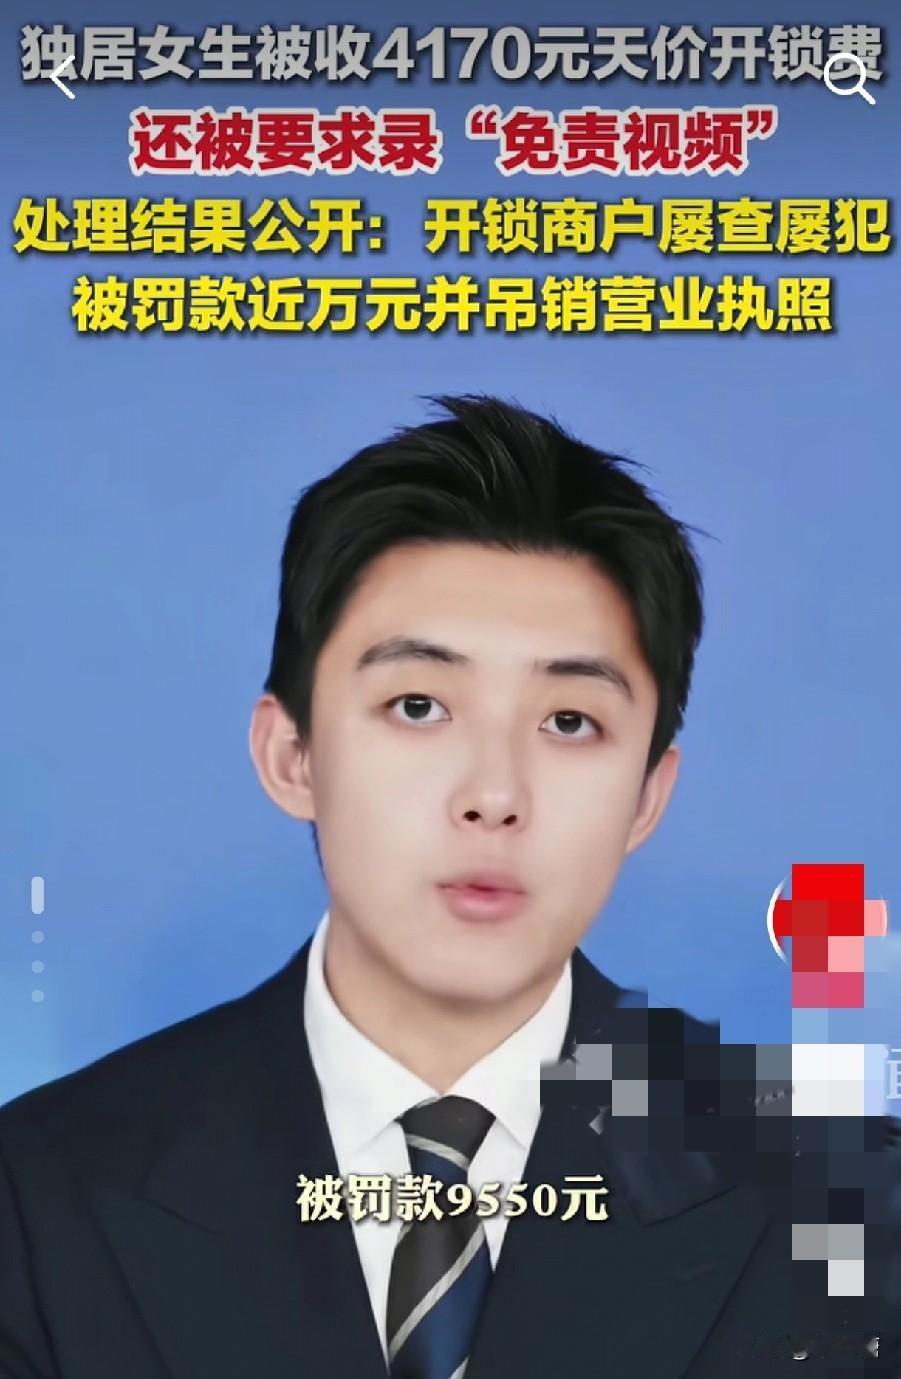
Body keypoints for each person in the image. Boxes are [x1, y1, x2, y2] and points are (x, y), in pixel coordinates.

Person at [0, 395, 897, 1378]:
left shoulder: (837, 1194)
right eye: (418, 704)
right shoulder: (40, 1193)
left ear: (646, 795)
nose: (494, 796)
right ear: (292, 754)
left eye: (568, 721)